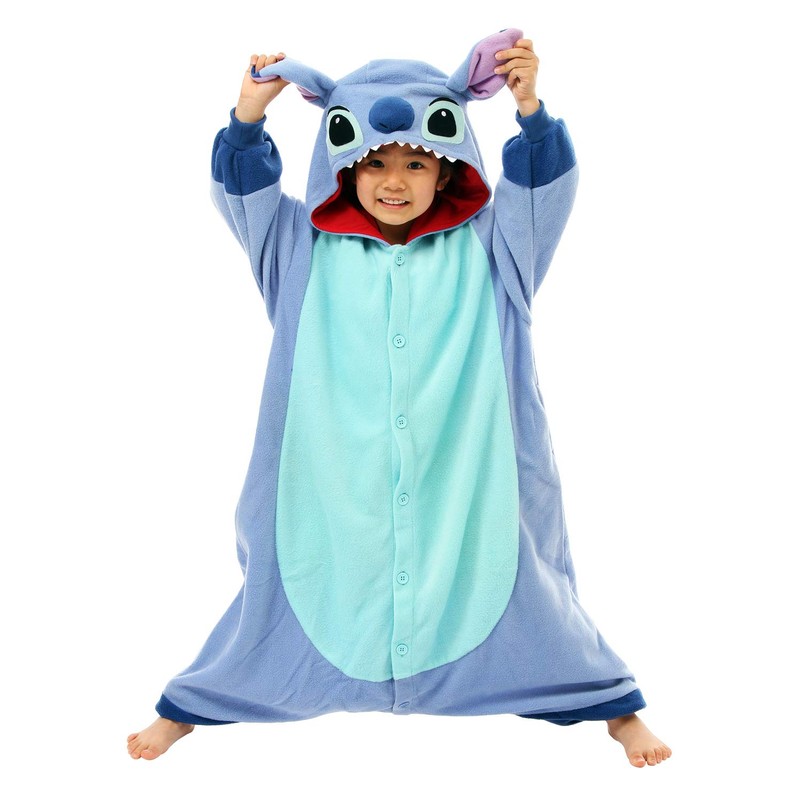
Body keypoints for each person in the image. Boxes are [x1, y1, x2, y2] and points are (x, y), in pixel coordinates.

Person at [128, 31, 672, 768]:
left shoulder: (494, 247)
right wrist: (248, 117)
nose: (394, 180)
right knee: (282, 595)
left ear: (447, 168)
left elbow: (543, 190)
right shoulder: (300, 250)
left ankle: (614, 709)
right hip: (331, 483)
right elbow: (245, 195)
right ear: (343, 165)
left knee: (528, 591)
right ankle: (196, 706)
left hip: (469, 475)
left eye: (416, 162)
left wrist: (531, 111)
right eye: (374, 163)